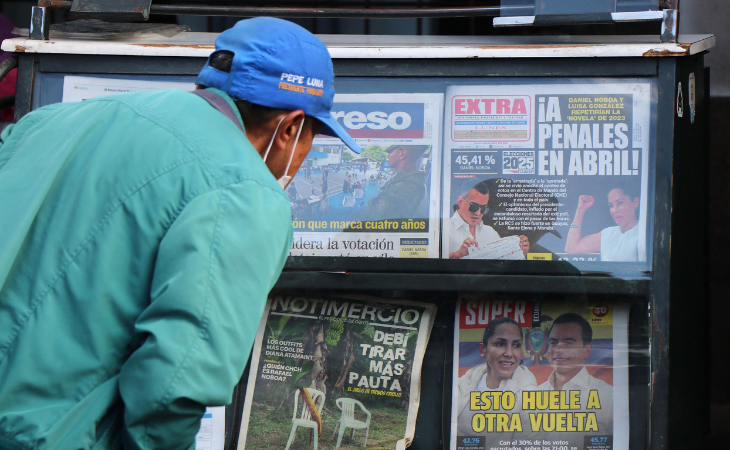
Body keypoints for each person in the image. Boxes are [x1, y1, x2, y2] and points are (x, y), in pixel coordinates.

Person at [0, 17, 360, 449]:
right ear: (290, 128)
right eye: (313, 138)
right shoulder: (245, 191)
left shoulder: (56, 120)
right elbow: (177, 379)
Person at [455, 317, 538, 436]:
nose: (509, 353)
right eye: (500, 344)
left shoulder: (529, 396)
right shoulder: (467, 381)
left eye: (516, 345)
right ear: (483, 349)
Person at [538, 313, 614, 440]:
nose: (558, 350)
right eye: (553, 342)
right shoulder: (533, 394)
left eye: (568, 343)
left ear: (587, 349)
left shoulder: (609, 397)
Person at [354, 145, 429, 221]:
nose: (388, 156)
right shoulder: (410, 179)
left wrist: (372, 202)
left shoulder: (402, 187)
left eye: (390, 152)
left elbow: (377, 216)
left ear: (402, 154)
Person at [564, 186, 640, 261]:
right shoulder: (608, 234)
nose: (615, 210)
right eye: (611, 206)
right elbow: (572, 248)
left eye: (620, 203)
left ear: (635, 202)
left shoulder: (644, 233)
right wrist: (580, 210)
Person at [448, 181, 501, 259]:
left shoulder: (491, 233)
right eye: (474, 206)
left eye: (483, 208)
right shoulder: (443, 229)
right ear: (460, 202)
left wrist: (520, 252)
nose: (478, 213)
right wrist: (457, 255)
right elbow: (428, 260)